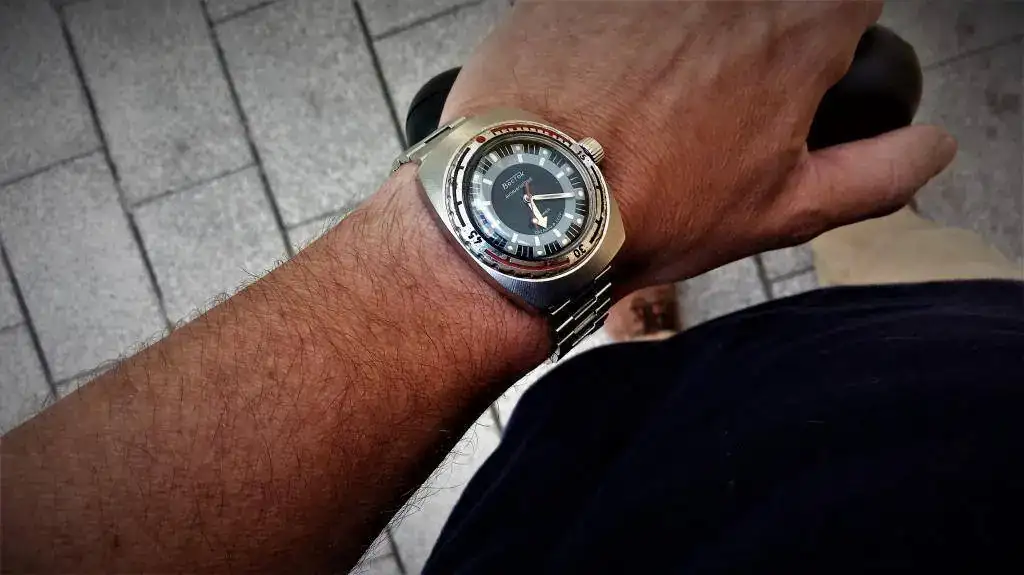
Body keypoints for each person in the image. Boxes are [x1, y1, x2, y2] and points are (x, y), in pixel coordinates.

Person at [1, 2, 1021, 572]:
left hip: (589, 524)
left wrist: (428, 264)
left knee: (622, 411)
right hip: (957, 401)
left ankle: (641, 336)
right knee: (910, 287)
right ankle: (782, 275)